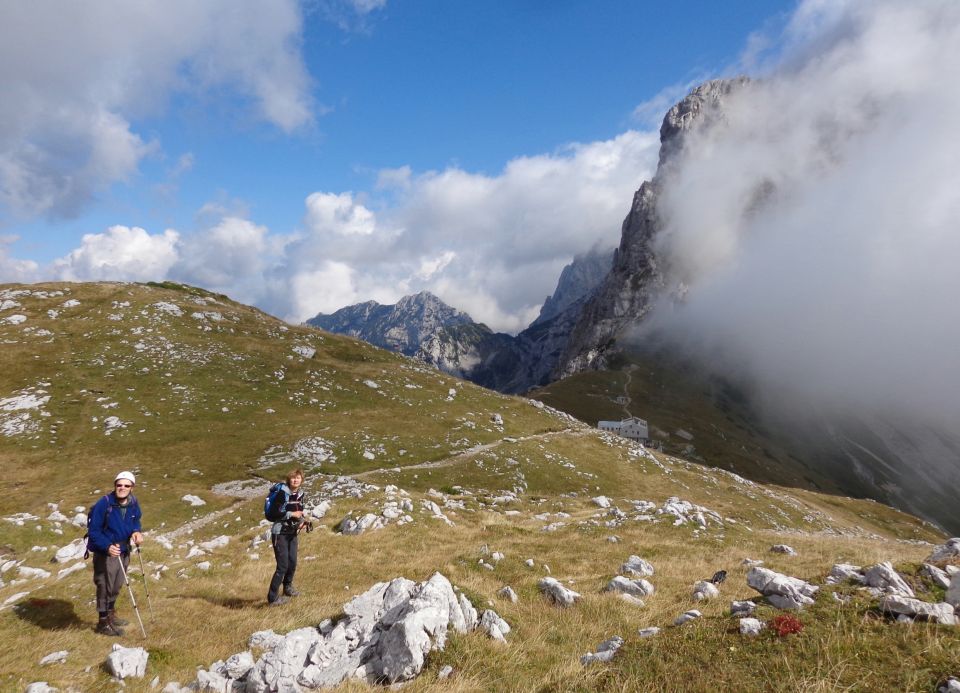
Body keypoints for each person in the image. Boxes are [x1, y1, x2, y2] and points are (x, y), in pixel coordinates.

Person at [86, 471, 143, 636]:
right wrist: (107, 546)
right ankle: (103, 622)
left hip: (124, 550)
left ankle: (111, 614)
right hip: (107, 552)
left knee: (117, 584)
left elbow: (135, 520)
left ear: (132, 487)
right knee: (105, 585)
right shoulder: (104, 504)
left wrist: (136, 531)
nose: (122, 488)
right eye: (119, 485)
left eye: (126, 485)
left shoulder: (133, 502)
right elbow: (94, 531)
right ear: (115, 486)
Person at [267, 468, 306, 606]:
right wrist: (291, 515)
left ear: (301, 480)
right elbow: (274, 513)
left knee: (292, 562)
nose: (295, 480)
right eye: (293, 478)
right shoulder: (282, 493)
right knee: (282, 566)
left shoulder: (300, 494)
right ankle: (272, 598)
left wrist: (301, 521)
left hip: (292, 532)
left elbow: (299, 511)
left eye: (298, 478)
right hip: (280, 533)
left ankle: (288, 588)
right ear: (289, 479)